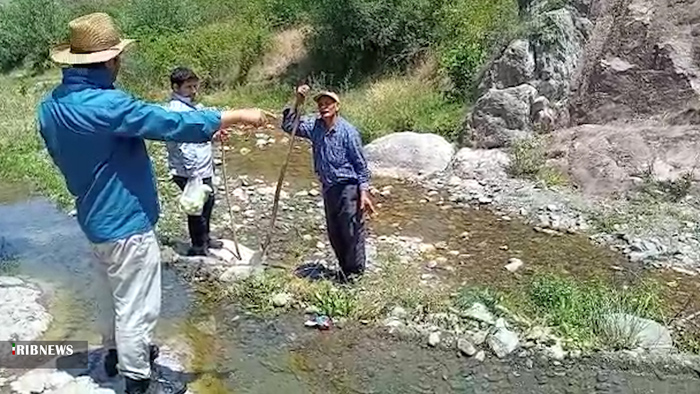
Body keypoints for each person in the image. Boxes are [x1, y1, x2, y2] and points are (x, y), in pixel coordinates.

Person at [37, 13, 271, 394]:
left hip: (93, 217)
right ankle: (137, 379)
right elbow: (167, 122)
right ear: (109, 61)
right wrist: (238, 115)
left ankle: (113, 354)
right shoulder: (107, 106)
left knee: (110, 293)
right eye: (117, 58)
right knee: (136, 305)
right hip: (127, 221)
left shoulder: (52, 107)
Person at [281, 84, 375, 283]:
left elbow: (361, 165)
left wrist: (364, 193)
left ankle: (356, 275)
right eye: (321, 104)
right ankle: (344, 271)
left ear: (336, 106)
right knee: (334, 231)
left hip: (348, 187)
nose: (324, 107)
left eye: (328, 104)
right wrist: (298, 101)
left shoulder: (348, 132)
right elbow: (289, 126)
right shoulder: (315, 128)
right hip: (329, 187)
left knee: (351, 231)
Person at [165, 67, 222, 257]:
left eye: (195, 86)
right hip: (189, 170)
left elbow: (199, 132)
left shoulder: (192, 107)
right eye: (188, 87)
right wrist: (194, 174)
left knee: (208, 202)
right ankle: (198, 246)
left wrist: (213, 135)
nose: (193, 90)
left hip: (201, 168)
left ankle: (205, 239)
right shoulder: (176, 111)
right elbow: (183, 145)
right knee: (196, 206)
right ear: (176, 87)